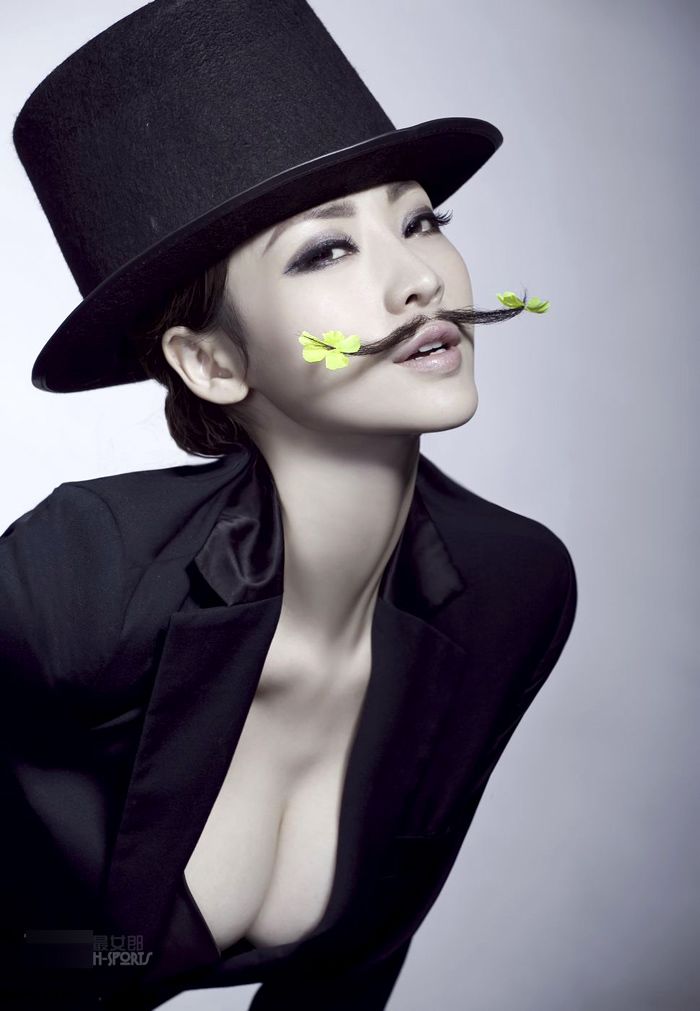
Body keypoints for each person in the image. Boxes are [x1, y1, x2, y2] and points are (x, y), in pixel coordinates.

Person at [2, 1, 577, 1009]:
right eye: (325, 252)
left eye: (419, 221)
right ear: (212, 361)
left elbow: (356, 962)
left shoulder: (508, 590)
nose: (418, 281)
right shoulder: (81, 574)